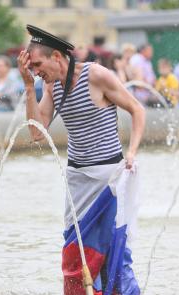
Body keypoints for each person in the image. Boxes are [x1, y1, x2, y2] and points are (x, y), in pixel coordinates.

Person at [17, 25, 145, 294]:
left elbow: (136, 109)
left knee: (112, 253)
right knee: (74, 255)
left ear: (57, 57)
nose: (36, 70)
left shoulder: (96, 75)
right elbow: (35, 133)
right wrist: (30, 87)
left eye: (38, 64)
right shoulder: (50, 86)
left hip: (108, 178)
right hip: (77, 180)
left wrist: (132, 151)